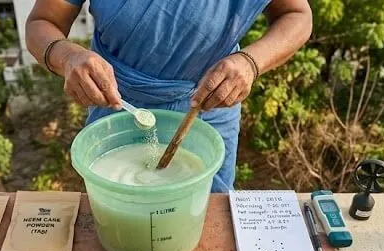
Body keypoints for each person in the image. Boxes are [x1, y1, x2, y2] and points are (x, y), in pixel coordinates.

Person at [26, 0, 313, 191]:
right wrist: (67, 57)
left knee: (206, 229)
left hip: (205, 108)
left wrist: (250, 63)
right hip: (117, 108)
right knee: (115, 227)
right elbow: (41, 22)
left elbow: (297, 16)